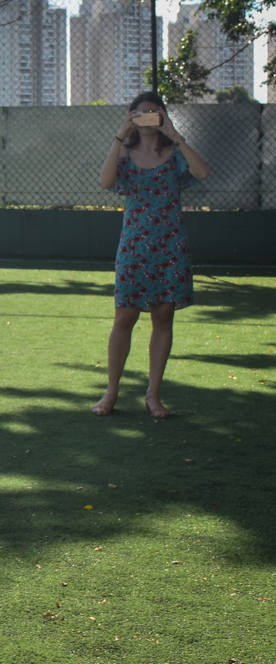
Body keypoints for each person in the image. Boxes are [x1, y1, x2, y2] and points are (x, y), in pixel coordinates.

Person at [93, 91, 209, 419]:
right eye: (139, 113)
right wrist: (120, 135)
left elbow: (202, 172)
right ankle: (111, 391)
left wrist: (175, 134)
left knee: (163, 318)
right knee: (124, 318)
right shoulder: (124, 155)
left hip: (170, 248)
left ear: (162, 116)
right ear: (131, 118)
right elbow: (105, 182)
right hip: (134, 248)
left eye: (153, 113)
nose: (146, 119)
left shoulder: (175, 155)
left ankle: (153, 395)